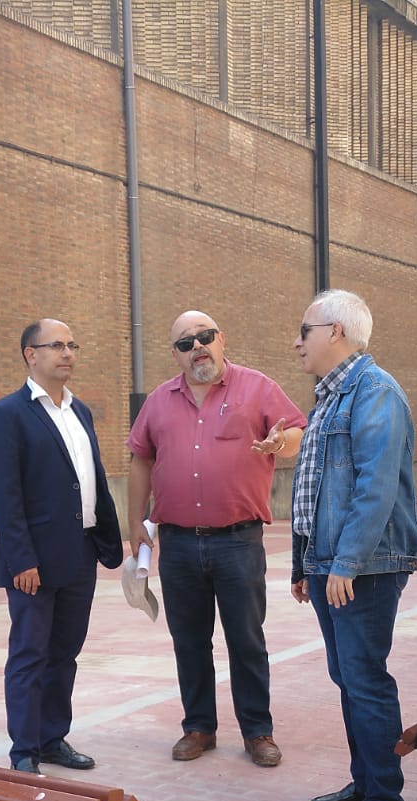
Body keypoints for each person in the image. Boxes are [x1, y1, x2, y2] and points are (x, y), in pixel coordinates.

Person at [127, 310, 306, 767]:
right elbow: (141, 459)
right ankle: (198, 727)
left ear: (221, 339)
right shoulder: (159, 401)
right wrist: (134, 522)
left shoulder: (256, 387)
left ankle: (257, 731)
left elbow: (294, 433)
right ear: (175, 354)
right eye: (185, 342)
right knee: (189, 641)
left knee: (246, 640)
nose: (197, 347)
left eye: (204, 336)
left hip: (237, 542)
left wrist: (278, 443)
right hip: (178, 543)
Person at [290, 290, 417, 801]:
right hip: (331, 563)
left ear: (335, 332)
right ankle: (365, 783)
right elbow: (313, 488)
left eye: (305, 330)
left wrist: (346, 562)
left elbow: (375, 487)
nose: (297, 342)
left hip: (364, 566)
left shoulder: (375, 392)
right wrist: (305, 563)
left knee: (365, 680)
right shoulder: (330, 397)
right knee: (348, 678)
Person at [0, 319, 123, 774]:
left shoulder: (80, 411)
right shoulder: (6, 414)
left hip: (80, 553)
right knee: (30, 654)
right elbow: (5, 495)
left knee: (65, 652)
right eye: (57, 345)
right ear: (31, 354)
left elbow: (91, 479)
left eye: (72, 345)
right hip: (34, 563)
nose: (67, 353)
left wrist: (107, 539)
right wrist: (21, 558)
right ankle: (24, 751)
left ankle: (52, 738)